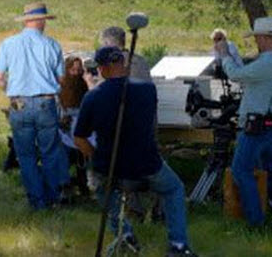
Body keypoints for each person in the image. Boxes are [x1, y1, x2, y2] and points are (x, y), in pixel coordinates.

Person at [74, 46, 197, 256]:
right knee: (174, 189)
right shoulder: (148, 90)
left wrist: (95, 156)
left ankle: (124, 234)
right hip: (146, 162)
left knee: (102, 188)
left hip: (110, 164)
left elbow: (79, 138)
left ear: (102, 69)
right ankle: (178, 245)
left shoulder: (92, 97)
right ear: (124, 64)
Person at [215, 16, 272, 226]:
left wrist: (225, 55)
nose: (257, 42)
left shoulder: (269, 61)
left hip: (256, 126)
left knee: (241, 169)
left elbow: (236, 75)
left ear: (266, 37)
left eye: (258, 37)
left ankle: (255, 221)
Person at [0, 1, 70, 210]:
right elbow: (62, 80)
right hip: (45, 102)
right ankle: (52, 196)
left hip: (19, 104)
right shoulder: (52, 45)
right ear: (42, 21)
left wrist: (12, 89)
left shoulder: (8, 44)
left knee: (25, 154)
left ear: (26, 21)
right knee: (50, 152)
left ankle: (37, 200)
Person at [59, 56, 94, 196]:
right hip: (64, 131)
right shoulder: (60, 89)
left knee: (86, 145)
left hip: (81, 128)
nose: (76, 73)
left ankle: (84, 181)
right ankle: (64, 184)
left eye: (79, 70)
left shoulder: (83, 87)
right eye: (73, 70)